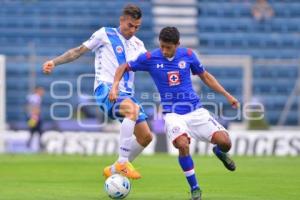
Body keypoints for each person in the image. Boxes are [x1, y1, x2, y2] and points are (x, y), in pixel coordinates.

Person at [110, 27, 239, 200]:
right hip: (173, 114)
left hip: (196, 111)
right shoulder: (150, 58)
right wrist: (115, 86)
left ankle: (219, 152)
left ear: (177, 45)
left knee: (225, 142)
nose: (164, 50)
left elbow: (205, 76)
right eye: (162, 46)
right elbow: (123, 67)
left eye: (168, 47)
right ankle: (195, 188)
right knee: (182, 144)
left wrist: (227, 95)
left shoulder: (188, 55)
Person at [42, 4, 153, 180]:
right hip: (106, 89)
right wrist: (54, 62)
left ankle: (115, 168)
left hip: (127, 94)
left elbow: (152, 64)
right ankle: (123, 163)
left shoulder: (139, 44)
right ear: (122, 20)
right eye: (130, 25)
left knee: (146, 137)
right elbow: (78, 51)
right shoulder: (105, 34)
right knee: (132, 110)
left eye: (137, 27)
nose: (133, 30)